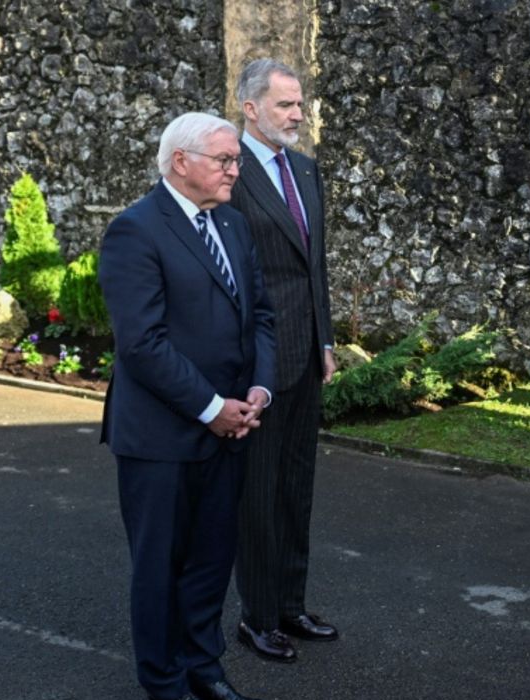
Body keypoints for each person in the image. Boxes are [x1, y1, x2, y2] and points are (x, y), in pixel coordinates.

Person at [99, 111, 277, 700]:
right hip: (161, 438)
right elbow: (142, 345)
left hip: (231, 427)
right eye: (225, 161)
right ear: (181, 162)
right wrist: (212, 408)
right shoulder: (135, 231)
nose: (236, 171)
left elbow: (259, 313)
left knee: (209, 562)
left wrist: (258, 388)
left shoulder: (231, 222)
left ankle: (205, 669)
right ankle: (166, 689)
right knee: (160, 566)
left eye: (236, 161)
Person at [225, 58, 340, 664]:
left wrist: (325, 338)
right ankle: (258, 617)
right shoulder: (230, 175)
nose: (298, 115)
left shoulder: (305, 169)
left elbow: (313, 264)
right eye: (285, 105)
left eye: (300, 104)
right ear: (250, 108)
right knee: (259, 495)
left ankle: (291, 607)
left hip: (306, 358)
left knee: (297, 489)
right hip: (260, 364)